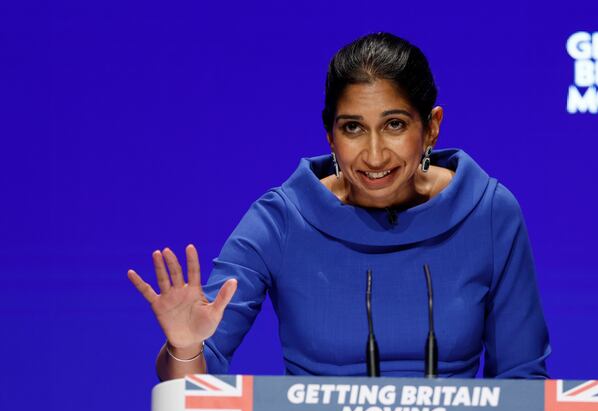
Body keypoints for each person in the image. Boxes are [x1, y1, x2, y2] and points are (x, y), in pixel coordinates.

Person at [127, 32, 551, 382]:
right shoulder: (281, 221)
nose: (374, 154)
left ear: (432, 128)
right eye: (353, 128)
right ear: (330, 137)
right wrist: (185, 347)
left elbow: (522, 381)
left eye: (395, 125)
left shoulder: (490, 212)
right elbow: (192, 386)